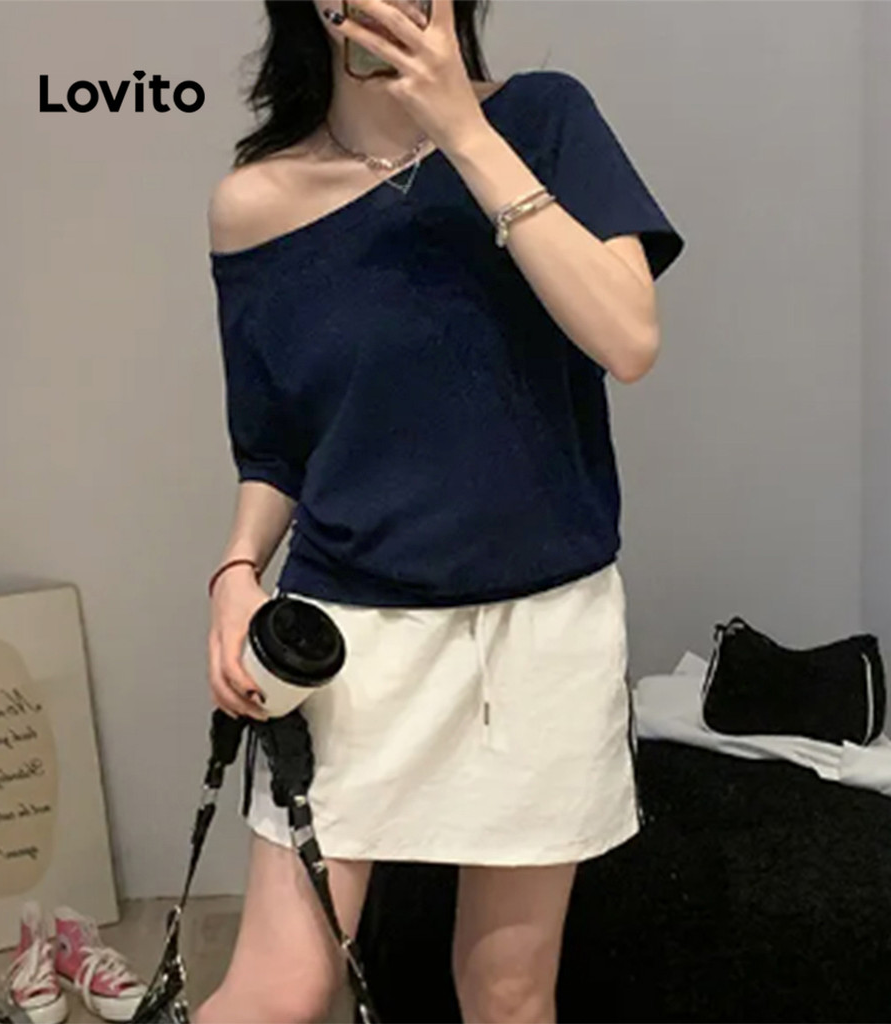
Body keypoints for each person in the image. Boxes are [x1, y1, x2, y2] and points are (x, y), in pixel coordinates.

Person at [197, 1, 685, 1021]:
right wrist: (236, 571)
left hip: (543, 631)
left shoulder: (543, 119)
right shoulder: (256, 203)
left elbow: (628, 338)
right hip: (350, 636)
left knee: (507, 992)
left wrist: (464, 131)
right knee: (283, 990)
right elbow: (275, 447)